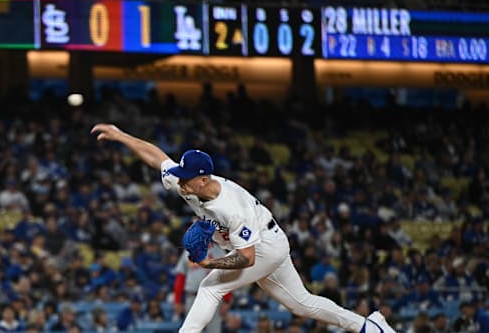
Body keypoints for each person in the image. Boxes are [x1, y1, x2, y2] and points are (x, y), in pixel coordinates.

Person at [91, 124, 396, 333]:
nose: (179, 180)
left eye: (186, 177)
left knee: (211, 285)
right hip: (263, 241)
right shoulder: (189, 184)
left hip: (263, 246)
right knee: (301, 304)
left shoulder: (230, 207)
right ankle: (370, 326)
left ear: (203, 179)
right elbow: (157, 158)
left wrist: (212, 263)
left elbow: (247, 258)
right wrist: (121, 136)